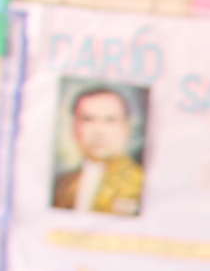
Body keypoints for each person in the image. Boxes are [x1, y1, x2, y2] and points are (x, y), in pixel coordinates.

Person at [51, 85, 144, 216]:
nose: (99, 131)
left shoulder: (142, 184)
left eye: (110, 120)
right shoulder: (62, 185)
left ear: (126, 127)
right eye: (88, 119)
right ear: (75, 127)